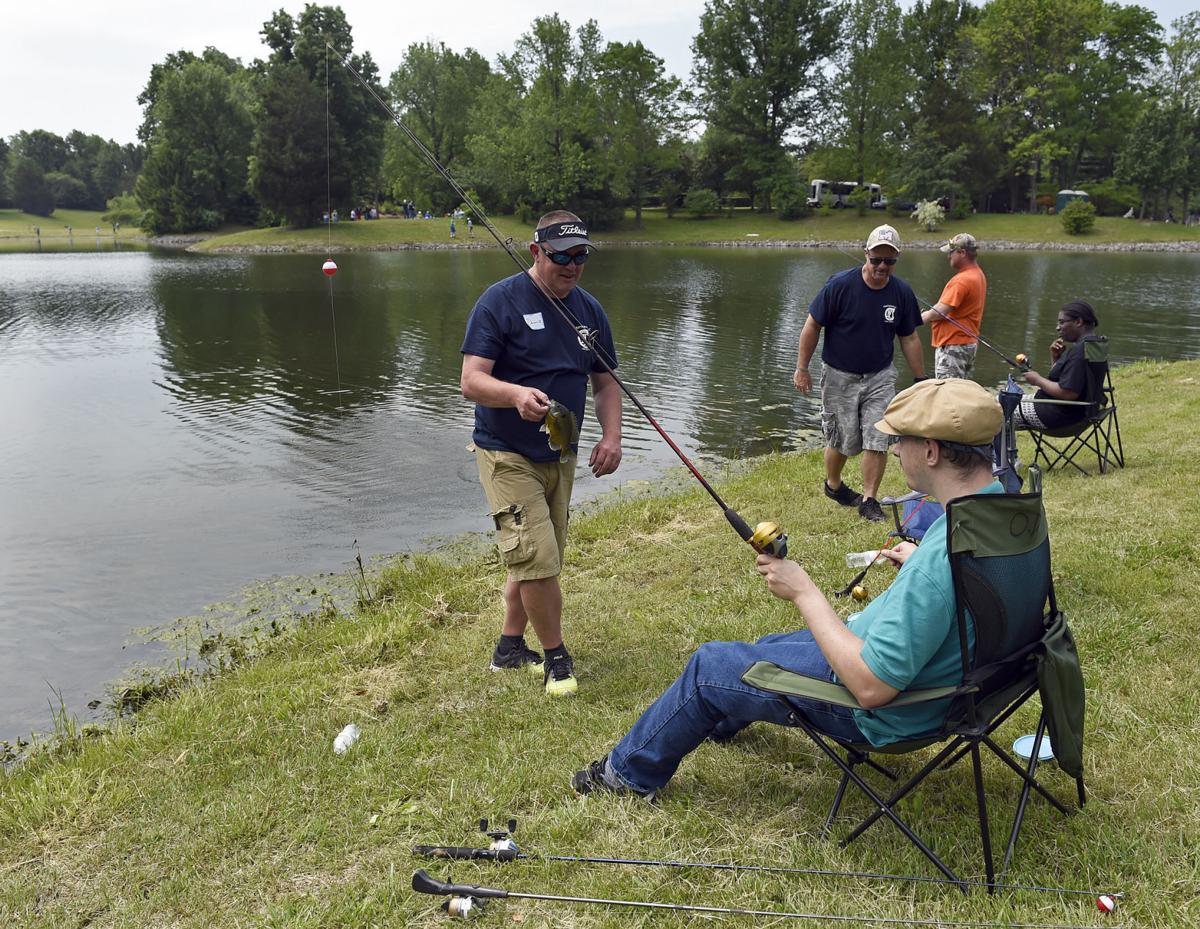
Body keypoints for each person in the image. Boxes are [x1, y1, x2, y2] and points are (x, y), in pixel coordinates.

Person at [572, 379, 1005, 799]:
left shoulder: (943, 559)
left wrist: (804, 592)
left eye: (900, 441)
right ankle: (717, 714)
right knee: (764, 647)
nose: (894, 451)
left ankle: (625, 775)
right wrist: (918, 563)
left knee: (709, 667)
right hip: (952, 690)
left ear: (930, 451)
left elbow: (872, 688)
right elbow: (960, 587)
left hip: (889, 712)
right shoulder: (1000, 511)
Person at [460, 211, 623, 697]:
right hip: (506, 452)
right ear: (537, 253)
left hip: (561, 452)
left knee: (536, 557)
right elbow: (471, 380)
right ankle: (557, 658)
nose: (572, 266)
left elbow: (606, 382)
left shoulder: (589, 312)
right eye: (561, 257)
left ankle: (510, 649)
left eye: (581, 257)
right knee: (537, 558)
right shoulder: (499, 302)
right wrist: (513, 395)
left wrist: (612, 437)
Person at [793, 224, 926, 523]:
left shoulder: (901, 292)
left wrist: (920, 380)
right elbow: (812, 325)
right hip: (839, 376)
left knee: (877, 437)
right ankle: (834, 485)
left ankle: (869, 500)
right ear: (865, 254)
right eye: (876, 259)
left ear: (897, 260)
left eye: (889, 261)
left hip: (880, 376)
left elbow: (909, 338)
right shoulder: (839, 286)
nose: (882, 267)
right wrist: (802, 368)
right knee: (843, 441)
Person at [1013, 301, 1101, 431]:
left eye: (1062, 322)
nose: (1058, 327)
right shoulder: (1094, 345)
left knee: (997, 409)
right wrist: (1056, 357)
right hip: (1076, 410)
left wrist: (1037, 380)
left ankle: (997, 451)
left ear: (1078, 322)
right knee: (1002, 400)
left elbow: (1068, 393)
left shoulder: (1079, 351)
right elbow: (1069, 381)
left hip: (1059, 414)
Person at [922, 233, 986, 381]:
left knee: (947, 394)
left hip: (953, 346)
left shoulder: (962, 280)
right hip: (966, 344)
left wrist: (919, 318)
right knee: (959, 391)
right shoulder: (978, 274)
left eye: (951, 252)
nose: (948, 256)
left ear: (962, 253)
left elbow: (940, 312)